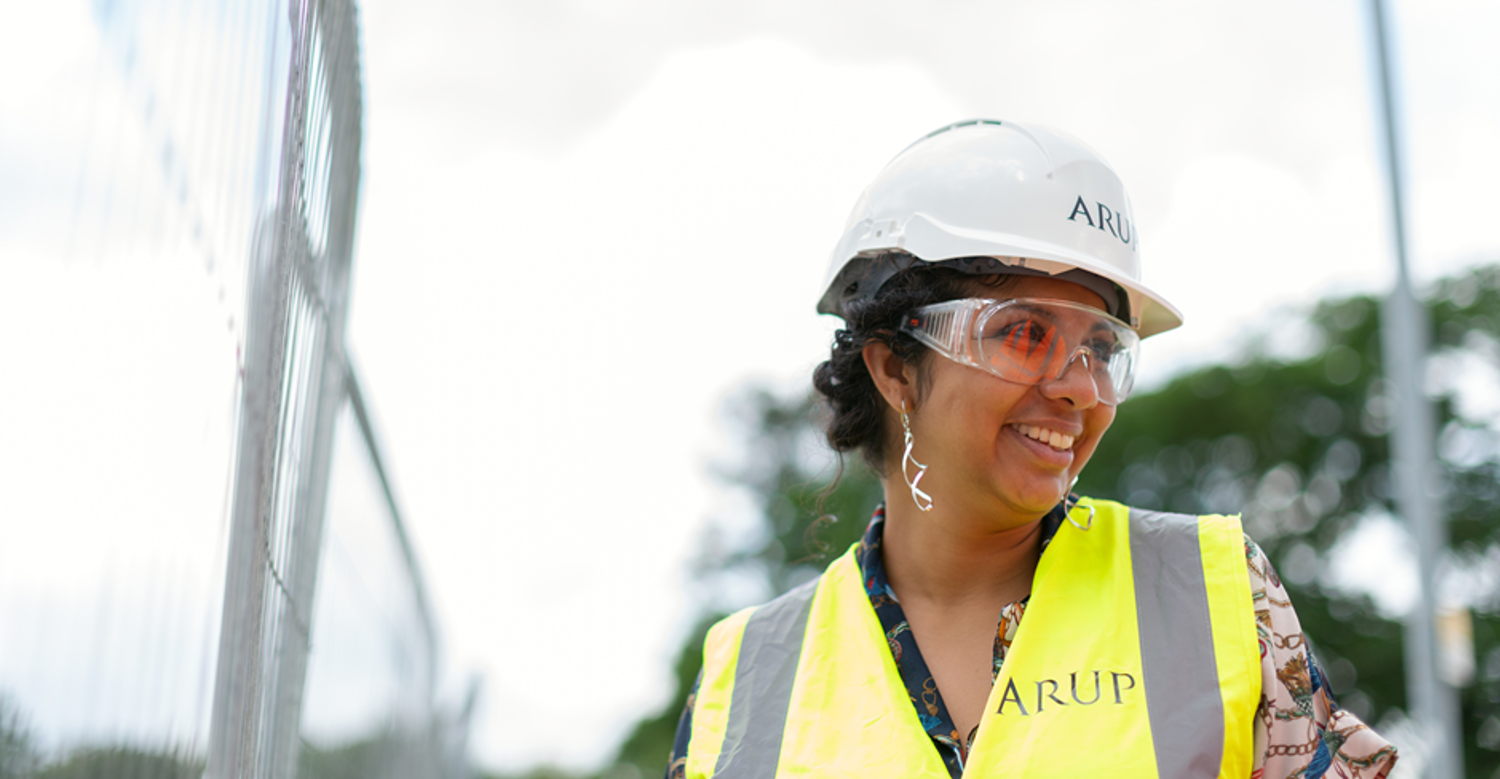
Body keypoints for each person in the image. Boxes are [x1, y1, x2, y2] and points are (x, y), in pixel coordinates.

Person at [667, 120, 1398, 778]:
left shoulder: (1213, 595)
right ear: (893, 367)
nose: (1082, 388)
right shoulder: (744, 683)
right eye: (1024, 334)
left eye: (1103, 347)